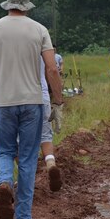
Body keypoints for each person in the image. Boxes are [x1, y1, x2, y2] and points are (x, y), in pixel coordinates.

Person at [0, 0, 63, 219]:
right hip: (32, 102)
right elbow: (52, 69)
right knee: (27, 157)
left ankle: (4, 182)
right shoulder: (39, 29)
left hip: (4, 103)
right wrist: (57, 101)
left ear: (8, 5)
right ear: (27, 6)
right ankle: (23, 217)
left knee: (4, 150)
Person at [38, 56, 64, 191]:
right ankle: (50, 164)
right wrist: (58, 102)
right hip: (42, 97)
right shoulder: (41, 39)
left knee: (20, 142)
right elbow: (52, 70)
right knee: (45, 136)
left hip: (16, 99)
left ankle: (28, 177)